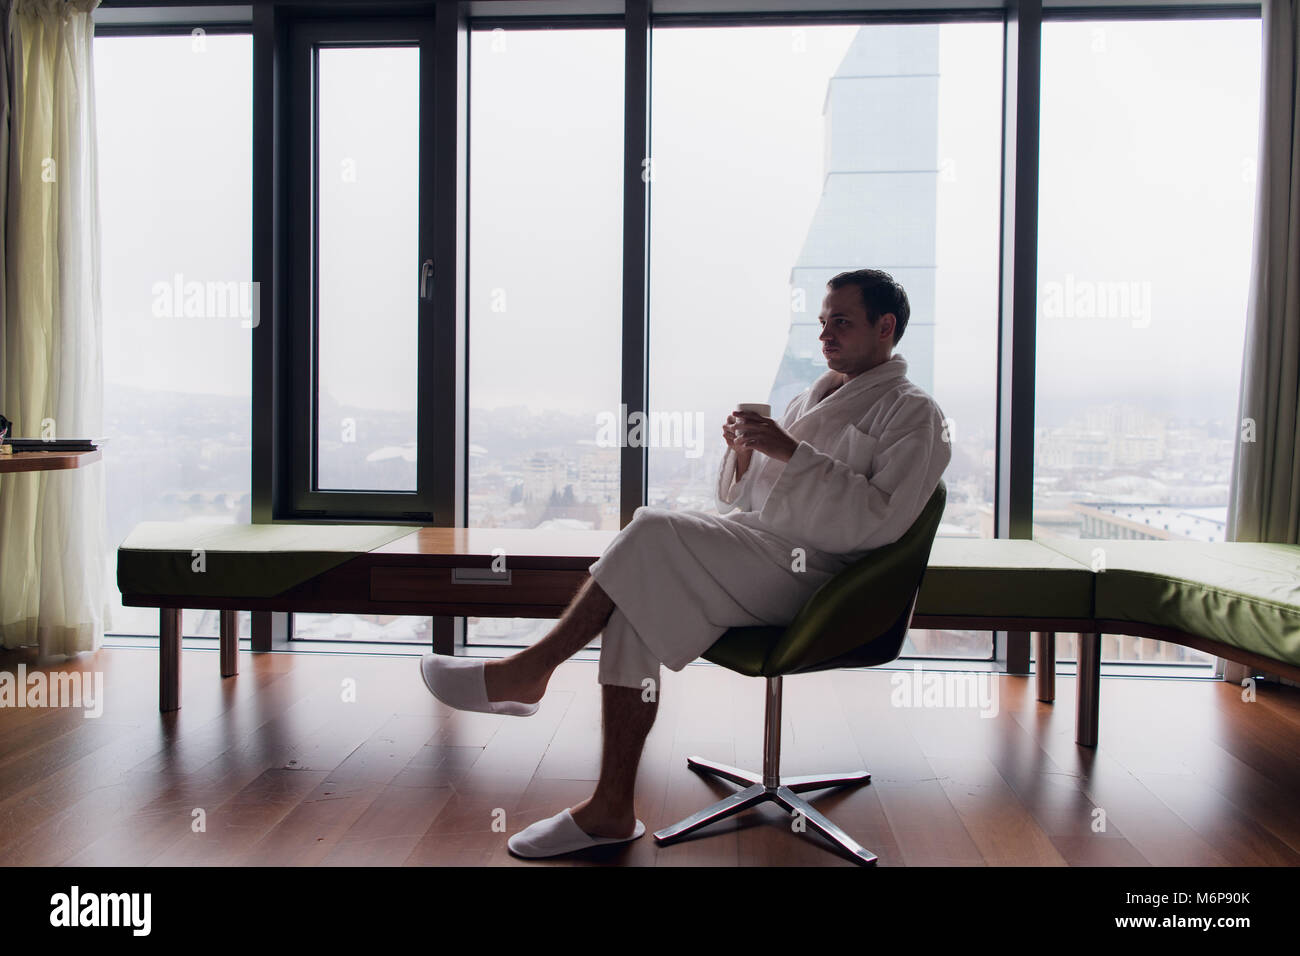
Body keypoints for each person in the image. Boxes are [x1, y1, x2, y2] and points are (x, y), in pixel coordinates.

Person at [420, 268, 952, 859]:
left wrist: (789, 452)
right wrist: (745, 454)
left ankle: (531, 669)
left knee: (650, 529)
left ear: (886, 327)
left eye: (842, 322)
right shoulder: (811, 397)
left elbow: (881, 519)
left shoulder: (914, 414)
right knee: (632, 609)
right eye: (822, 321)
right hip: (762, 556)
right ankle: (609, 810)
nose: (825, 334)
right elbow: (741, 500)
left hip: (827, 584)